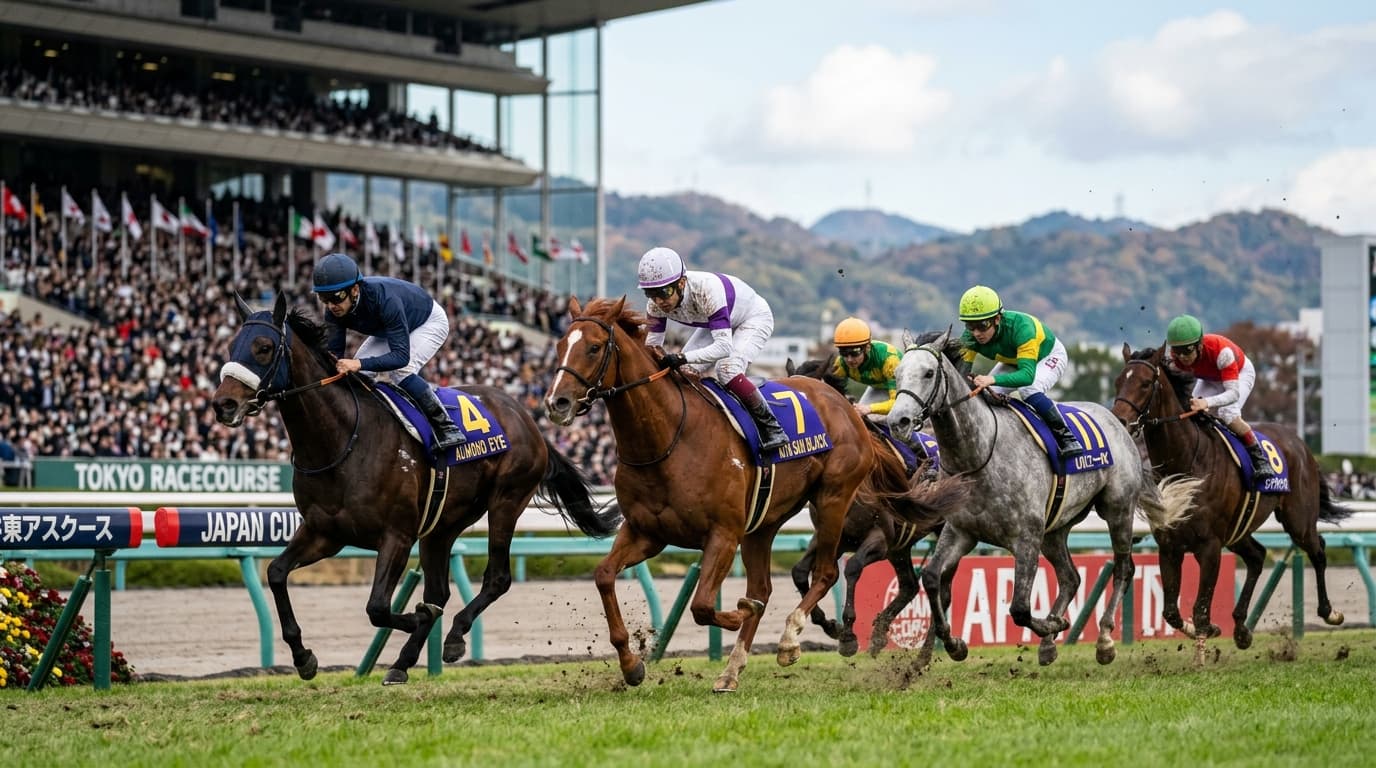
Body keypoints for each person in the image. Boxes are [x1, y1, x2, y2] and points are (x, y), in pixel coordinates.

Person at [637, 246, 789, 451]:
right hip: (715, 324)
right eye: (650, 293)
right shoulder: (655, 305)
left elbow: (723, 347)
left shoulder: (706, 290)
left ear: (681, 283)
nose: (658, 301)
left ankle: (772, 427)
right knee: (684, 374)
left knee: (727, 369)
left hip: (752, 318)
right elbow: (652, 346)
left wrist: (681, 357)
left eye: (664, 292)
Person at [312, 252, 466, 450]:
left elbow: (401, 357)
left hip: (428, 321)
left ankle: (447, 427)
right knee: (359, 375)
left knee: (401, 370)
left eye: (336, 297)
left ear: (355, 290)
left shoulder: (385, 300)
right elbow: (334, 355)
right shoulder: (334, 311)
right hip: (393, 326)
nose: (331, 305)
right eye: (324, 298)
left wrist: (358, 364)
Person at [956, 285, 1085, 459]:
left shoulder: (1023, 328)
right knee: (986, 397)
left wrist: (991, 379)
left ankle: (1067, 438)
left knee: (1028, 390)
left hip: (1046, 357)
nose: (977, 333)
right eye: (970, 326)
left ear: (997, 319)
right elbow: (960, 376)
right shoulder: (970, 338)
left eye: (982, 325)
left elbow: (1027, 376)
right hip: (1013, 360)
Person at [1165, 314, 1275, 478]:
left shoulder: (1222, 352)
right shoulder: (1176, 358)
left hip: (1239, 374)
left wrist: (1207, 403)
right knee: (1190, 411)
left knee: (1227, 414)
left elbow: (1233, 394)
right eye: (1177, 351)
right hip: (1210, 378)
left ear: (1199, 345)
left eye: (1187, 350)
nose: (1182, 357)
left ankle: (1260, 459)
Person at [830, 316, 901, 419]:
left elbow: (897, 403)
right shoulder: (841, 363)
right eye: (843, 353)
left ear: (867, 347)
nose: (849, 359)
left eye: (855, 353)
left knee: (889, 419)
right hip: (877, 387)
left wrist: (869, 408)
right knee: (858, 416)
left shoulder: (890, 361)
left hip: (902, 390)